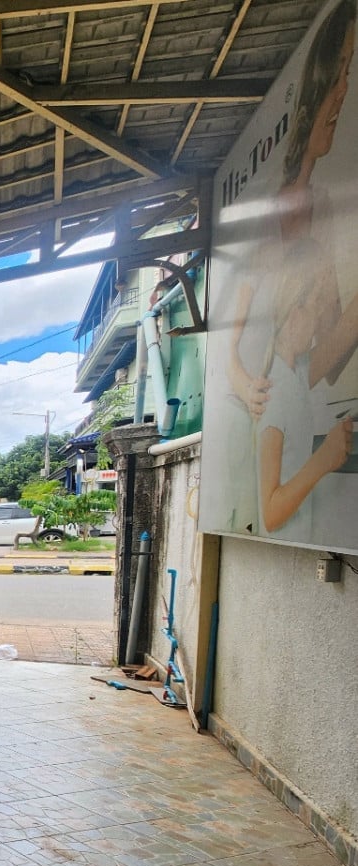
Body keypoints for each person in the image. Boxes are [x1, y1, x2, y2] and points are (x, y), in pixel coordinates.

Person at [220, 0, 358, 540]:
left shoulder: (326, 210)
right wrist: (244, 381)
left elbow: (324, 355)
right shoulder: (267, 219)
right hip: (265, 422)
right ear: (315, 84)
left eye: (350, 71)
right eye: (337, 71)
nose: (343, 91)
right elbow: (231, 343)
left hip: (294, 403)